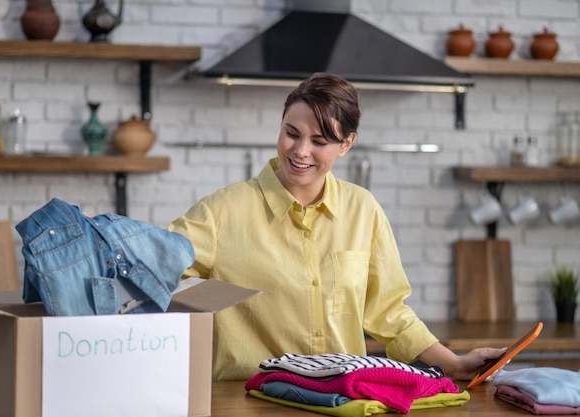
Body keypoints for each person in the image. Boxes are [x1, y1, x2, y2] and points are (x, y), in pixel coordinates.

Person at [167, 72, 505, 381]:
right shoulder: (223, 211)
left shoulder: (364, 210)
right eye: (291, 133)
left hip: (342, 399)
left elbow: (388, 314)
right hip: (250, 401)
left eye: (320, 141)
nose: (300, 151)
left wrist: (454, 363)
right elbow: (153, 274)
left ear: (346, 144)